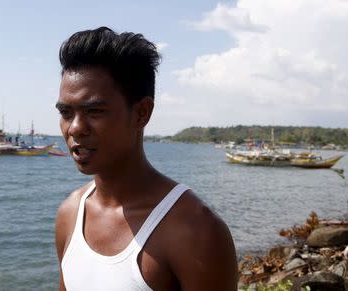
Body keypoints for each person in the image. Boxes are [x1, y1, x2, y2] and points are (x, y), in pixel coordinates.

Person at [55, 27, 237, 291]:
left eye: (94, 111)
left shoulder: (195, 230)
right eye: (66, 113)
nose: (74, 128)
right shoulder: (70, 214)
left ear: (141, 113)